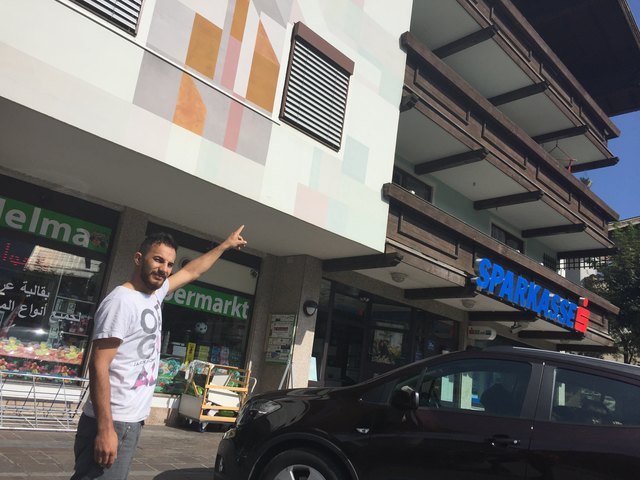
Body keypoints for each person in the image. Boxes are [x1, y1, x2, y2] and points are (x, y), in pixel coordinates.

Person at [71, 226, 247, 480]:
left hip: (130, 421)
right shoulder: (121, 301)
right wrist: (105, 428)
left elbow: (192, 270)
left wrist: (225, 245)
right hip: (112, 420)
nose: (164, 269)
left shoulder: (155, 294)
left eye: (169, 263)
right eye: (158, 259)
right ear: (138, 258)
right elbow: (99, 365)